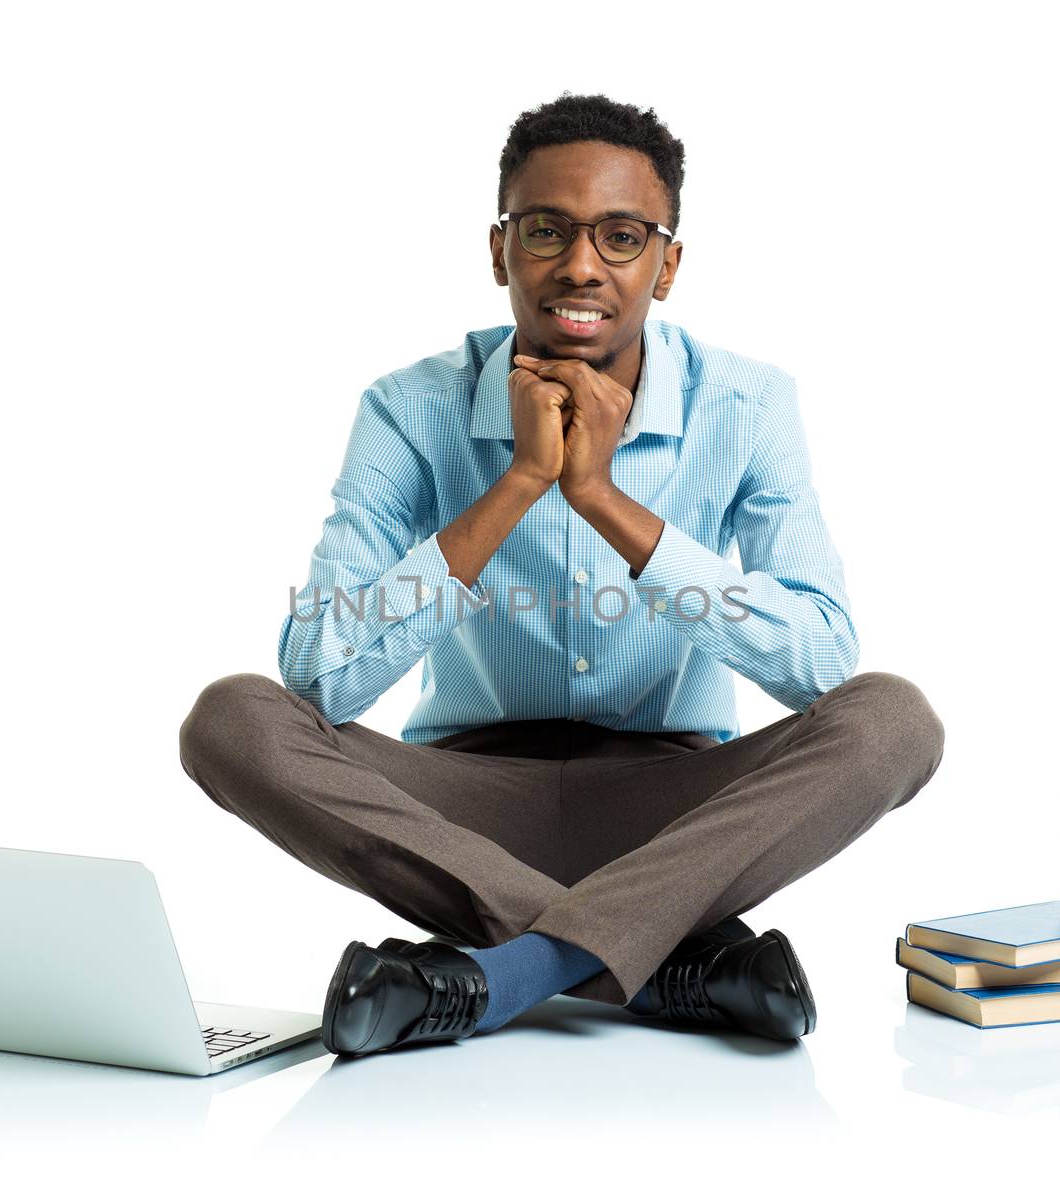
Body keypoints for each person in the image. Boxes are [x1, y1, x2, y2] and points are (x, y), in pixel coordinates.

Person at [179, 92, 945, 1059]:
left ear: (666, 266)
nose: (581, 266)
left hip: (677, 806)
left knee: (895, 719)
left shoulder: (748, 405)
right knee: (231, 719)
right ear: (499, 250)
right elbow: (321, 677)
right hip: (458, 813)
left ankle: (507, 974)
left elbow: (824, 663)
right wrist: (523, 481)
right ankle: (666, 960)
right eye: (547, 230)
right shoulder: (409, 406)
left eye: (622, 237)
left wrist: (601, 498)